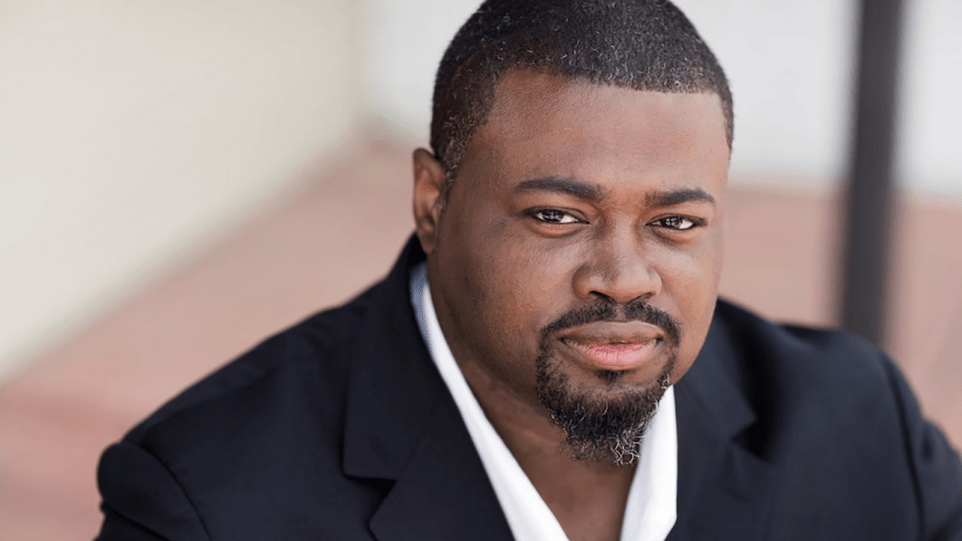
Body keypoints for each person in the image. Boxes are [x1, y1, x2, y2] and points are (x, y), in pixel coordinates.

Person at [94, 1, 962, 540]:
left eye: (676, 223)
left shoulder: (857, 426)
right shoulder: (209, 501)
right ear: (432, 201)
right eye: (558, 215)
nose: (624, 278)